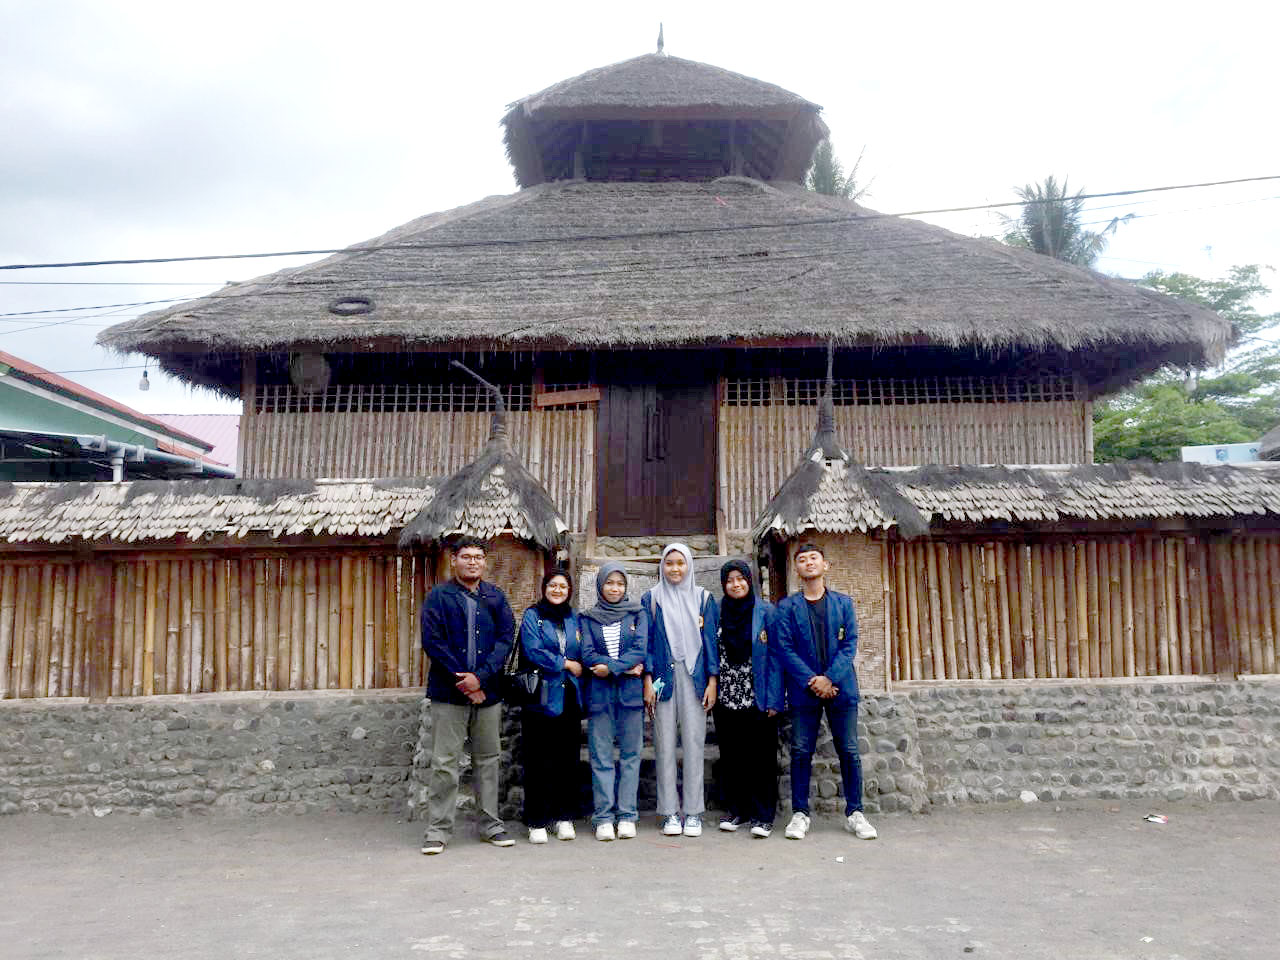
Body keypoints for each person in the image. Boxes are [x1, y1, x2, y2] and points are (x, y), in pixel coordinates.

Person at [773, 543, 877, 841]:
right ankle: (800, 814)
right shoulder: (787, 607)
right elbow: (785, 648)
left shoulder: (843, 604)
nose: (808, 563)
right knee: (800, 751)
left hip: (840, 688)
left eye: (814, 558)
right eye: (802, 560)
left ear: (825, 565)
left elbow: (849, 644)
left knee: (849, 750)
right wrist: (813, 681)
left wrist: (829, 678)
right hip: (804, 690)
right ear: (796, 568)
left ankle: (855, 813)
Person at [419, 537, 516, 854]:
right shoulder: (438, 597)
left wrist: (480, 678)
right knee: (444, 762)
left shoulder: (496, 597)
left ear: (484, 562)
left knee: (488, 760)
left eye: (477, 557)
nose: (472, 562)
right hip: (448, 693)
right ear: (454, 560)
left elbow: (505, 639)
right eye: (466, 557)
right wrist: (464, 681)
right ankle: (438, 829)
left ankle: (491, 825)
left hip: (488, 693)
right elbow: (433, 642)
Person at [643, 542, 719, 838]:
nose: (675, 569)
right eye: (669, 563)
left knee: (694, 744)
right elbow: (647, 643)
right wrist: (648, 679)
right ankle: (670, 812)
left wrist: (712, 681)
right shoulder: (651, 599)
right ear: (661, 566)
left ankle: (693, 812)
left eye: (680, 563)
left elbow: (710, 642)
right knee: (663, 745)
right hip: (663, 678)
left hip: (694, 676)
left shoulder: (703, 598)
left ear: (689, 566)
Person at [712, 559, 783, 838]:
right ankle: (737, 810)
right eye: (729, 580)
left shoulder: (766, 611)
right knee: (732, 757)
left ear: (750, 580)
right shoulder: (718, 612)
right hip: (726, 697)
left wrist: (775, 699)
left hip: (758, 696)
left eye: (740, 578)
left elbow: (776, 657)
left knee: (762, 759)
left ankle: (763, 816)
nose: (735, 584)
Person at [579, 562, 649, 841]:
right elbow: (586, 653)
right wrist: (622, 668)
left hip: (630, 695)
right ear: (600, 585)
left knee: (631, 755)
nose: (614, 588)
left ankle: (628, 815)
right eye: (609, 583)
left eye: (620, 583)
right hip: (600, 696)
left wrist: (610, 668)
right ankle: (604, 817)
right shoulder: (587, 617)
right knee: (601, 756)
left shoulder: (638, 613)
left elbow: (640, 650)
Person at [518, 568, 586, 844]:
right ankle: (536, 819)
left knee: (567, 759)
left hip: (569, 697)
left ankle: (564, 816)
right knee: (538, 759)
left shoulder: (574, 619)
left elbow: (583, 650)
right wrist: (566, 663)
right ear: (544, 588)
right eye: (553, 585)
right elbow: (533, 650)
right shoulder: (532, 616)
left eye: (563, 587)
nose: (558, 590)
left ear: (570, 591)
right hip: (540, 697)